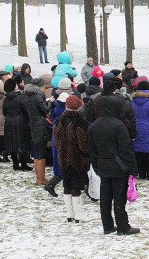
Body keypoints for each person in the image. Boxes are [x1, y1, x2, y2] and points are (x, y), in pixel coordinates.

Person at [88, 95, 139, 236]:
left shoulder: (94, 125)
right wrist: (133, 168)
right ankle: (123, 226)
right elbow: (126, 149)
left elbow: (92, 149)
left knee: (105, 198)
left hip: (103, 165)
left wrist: (96, 166)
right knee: (119, 198)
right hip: (119, 166)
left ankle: (108, 226)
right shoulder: (119, 125)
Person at [54, 95, 91, 223]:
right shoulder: (81, 121)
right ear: (79, 106)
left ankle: (70, 213)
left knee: (67, 185)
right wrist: (88, 153)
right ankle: (79, 214)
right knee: (76, 186)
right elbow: (83, 144)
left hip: (63, 157)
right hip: (77, 159)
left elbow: (56, 140)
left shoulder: (58, 120)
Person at [23, 84, 54, 184]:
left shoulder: (26, 97)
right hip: (40, 125)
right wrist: (50, 101)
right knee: (41, 151)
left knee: (37, 151)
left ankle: (38, 176)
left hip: (33, 124)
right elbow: (46, 109)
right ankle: (41, 179)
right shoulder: (37, 97)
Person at [3, 78, 32, 171]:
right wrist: (28, 119)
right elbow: (26, 110)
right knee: (23, 142)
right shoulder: (21, 97)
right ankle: (23, 164)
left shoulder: (6, 99)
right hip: (21, 121)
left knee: (11, 142)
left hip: (8, 122)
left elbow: (4, 112)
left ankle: (15, 164)